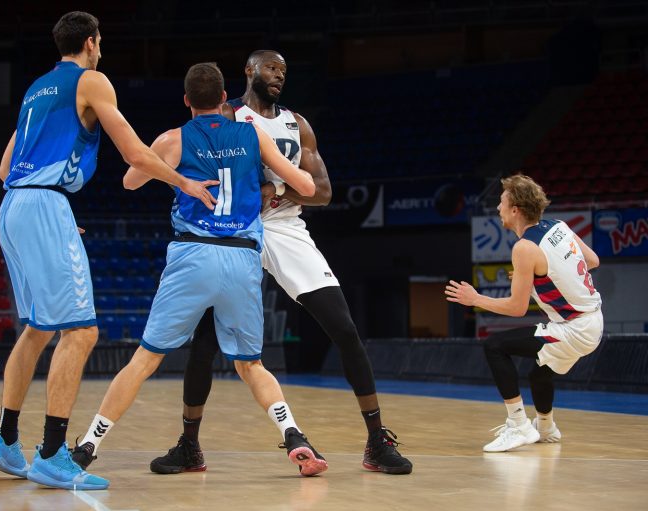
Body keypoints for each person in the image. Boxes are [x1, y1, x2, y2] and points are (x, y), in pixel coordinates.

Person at [0, 11, 217, 491]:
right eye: (100, 41)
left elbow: (5, 170)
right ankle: (50, 453)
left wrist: (49, 213)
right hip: (42, 206)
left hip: (14, 205)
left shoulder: (36, 89)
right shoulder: (91, 81)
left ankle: (5, 440)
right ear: (91, 42)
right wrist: (185, 182)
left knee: (38, 330)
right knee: (82, 333)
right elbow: (134, 153)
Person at [148, 50, 413, 475]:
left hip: (286, 229)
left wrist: (279, 192)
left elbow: (323, 191)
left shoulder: (297, 124)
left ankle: (376, 442)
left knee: (344, 329)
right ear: (249, 71)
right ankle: (189, 445)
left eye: (285, 71)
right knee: (204, 345)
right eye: (272, 68)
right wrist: (265, 185)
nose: (279, 76)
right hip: (234, 232)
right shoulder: (225, 115)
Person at [70, 62, 328, 479]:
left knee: (145, 359)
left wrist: (176, 175)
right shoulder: (251, 134)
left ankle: (87, 446)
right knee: (251, 365)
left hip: (193, 255)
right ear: (225, 98)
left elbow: (131, 182)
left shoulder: (173, 139)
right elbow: (308, 187)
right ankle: (294, 435)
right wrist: (270, 186)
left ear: (187, 100)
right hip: (242, 258)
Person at [445, 174, 603, 452]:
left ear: (515, 209)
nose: (498, 208)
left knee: (495, 346)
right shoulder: (559, 226)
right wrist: (536, 277)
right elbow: (592, 261)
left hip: (575, 329)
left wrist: (475, 298)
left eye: (501, 202)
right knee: (539, 373)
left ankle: (518, 424)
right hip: (593, 320)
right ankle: (546, 428)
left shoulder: (524, 248)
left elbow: (517, 309)